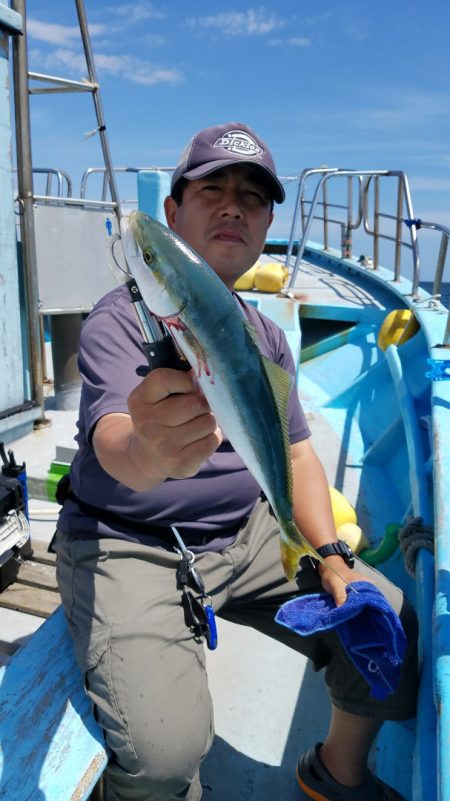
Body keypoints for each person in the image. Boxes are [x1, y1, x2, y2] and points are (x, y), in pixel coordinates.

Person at [53, 122, 418, 801]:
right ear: (173, 214)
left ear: (267, 222)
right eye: (211, 189)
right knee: (162, 751)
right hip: (132, 540)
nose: (233, 206)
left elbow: (300, 455)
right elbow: (114, 444)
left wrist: (330, 552)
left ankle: (334, 774)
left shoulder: (268, 338)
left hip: (247, 530)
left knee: (385, 615)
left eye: (252, 197)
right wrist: (150, 448)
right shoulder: (119, 320)